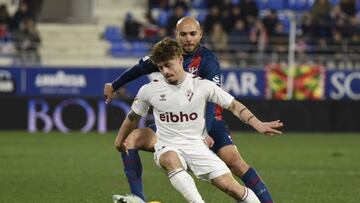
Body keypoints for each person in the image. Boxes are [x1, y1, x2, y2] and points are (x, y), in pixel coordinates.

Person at [105, 16, 277, 203]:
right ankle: (138, 198)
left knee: (235, 163)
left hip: (209, 121)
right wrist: (114, 86)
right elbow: (137, 70)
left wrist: (205, 131)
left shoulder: (208, 61)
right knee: (130, 141)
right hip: (175, 122)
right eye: (183, 34)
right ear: (176, 35)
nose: (188, 39)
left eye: (193, 34)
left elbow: (212, 99)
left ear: (200, 34)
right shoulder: (165, 55)